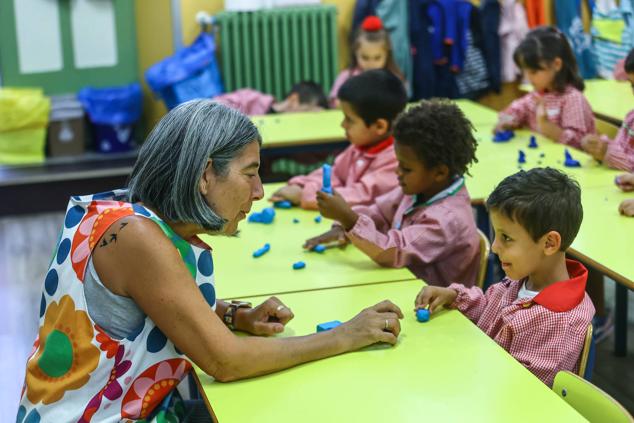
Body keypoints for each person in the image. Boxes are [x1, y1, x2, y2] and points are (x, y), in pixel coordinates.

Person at [17, 101, 404, 422]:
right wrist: (346, 335)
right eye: (250, 173)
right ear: (205, 175)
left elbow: (149, 304)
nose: (259, 192)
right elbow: (225, 360)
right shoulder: (137, 238)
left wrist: (233, 316)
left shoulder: (121, 212)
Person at [415, 168, 595, 387]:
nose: (495, 247)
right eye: (496, 235)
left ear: (549, 244)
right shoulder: (524, 278)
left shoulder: (558, 321)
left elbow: (522, 389)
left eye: (506, 238)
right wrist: (453, 295)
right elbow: (487, 306)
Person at [304, 100, 480, 287]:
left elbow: (393, 252)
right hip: (402, 288)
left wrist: (348, 219)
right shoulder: (420, 190)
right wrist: (341, 227)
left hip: (440, 310)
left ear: (440, 172)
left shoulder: (446, 219)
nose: (397, 172)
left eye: (406, 168)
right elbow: (379, 212)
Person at [270, 69, 407, 210]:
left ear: (379, 126)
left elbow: (361, 197)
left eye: (350, 120)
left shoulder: (395, 160)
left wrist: (305, 195)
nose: (343, 125)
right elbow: (335, 175)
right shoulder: (358, 148)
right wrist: (301, 185)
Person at [495, 26, 595, 150]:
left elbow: (581, 144)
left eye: (534, 71)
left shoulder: (573, 99)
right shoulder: (537, 95)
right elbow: (514, 110)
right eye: (524, 71)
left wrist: (548, 127)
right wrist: (507, 121)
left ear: (557, 64)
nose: (527, 77)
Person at [329, 15, 404, 107]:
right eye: (365, 57)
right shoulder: (346, 77)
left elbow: (400, 103)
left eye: (377, 58)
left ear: (387, 55)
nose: (371, 64)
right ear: (355, 52)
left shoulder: (393, 78)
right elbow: (335, 102)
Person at [581, 49, 634, 170]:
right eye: (632, 85)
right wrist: (599, 146)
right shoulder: (631, 118)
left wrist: (607, 154)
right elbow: (619, 148)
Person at [213, 80, 328, 116]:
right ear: (294, 100)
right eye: (307, 112)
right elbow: (214, 108)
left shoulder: (290, 133)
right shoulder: (251, 99)